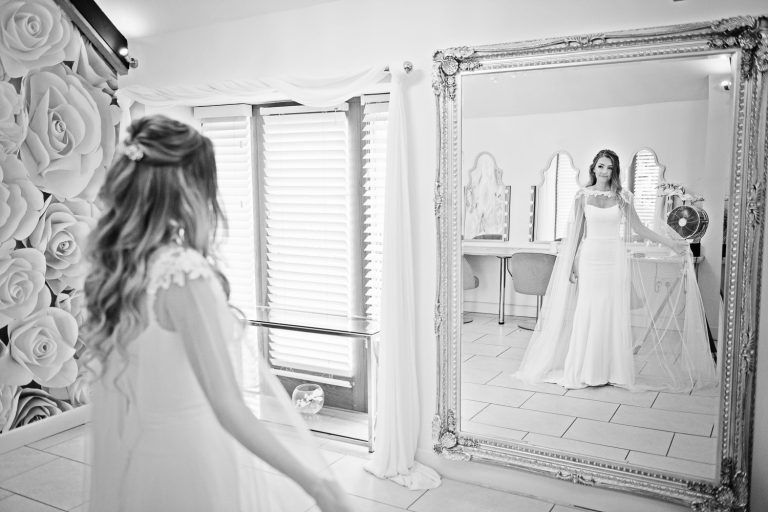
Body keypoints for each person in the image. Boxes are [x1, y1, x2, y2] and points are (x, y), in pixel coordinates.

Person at [84, 115, 354, 512]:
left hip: (142, 457)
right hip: (189, 460)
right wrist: (318, 486)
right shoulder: (182, 275)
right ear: (189, 188)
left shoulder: (119, 269)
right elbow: (228, 408)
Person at [515, 149, 717, 391]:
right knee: (588, 309)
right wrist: (570, 263)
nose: (604, 171)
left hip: (614, 258)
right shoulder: (582, 196)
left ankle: (611, 370)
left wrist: (671, 242)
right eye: (601, 166)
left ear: (615, 171)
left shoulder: (623, 197)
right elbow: (577, 234)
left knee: (611, 309)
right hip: (591, 258)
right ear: (593, 168)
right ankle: (585, 369)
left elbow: (640, 229)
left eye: (609, 168)